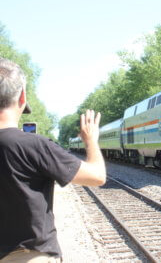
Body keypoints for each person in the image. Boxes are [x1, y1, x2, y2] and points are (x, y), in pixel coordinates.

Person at [0, 57, 106, 262]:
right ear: (22, 97)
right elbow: (97, 176)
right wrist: (91, 140)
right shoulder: (34, 146)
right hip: (27, 256)